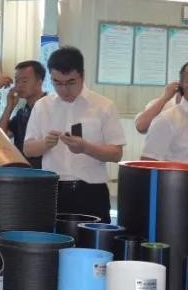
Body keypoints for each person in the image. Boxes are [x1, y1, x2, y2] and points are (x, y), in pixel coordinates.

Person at [23, 46, 125, 220]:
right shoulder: (42, 106)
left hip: (91, 191)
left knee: (92, 237)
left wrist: (85, 148)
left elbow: (116, 154)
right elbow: (28, 149)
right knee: (51, 237)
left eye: (70, 82)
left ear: (82, 76)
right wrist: (45, 144)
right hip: (52, 191)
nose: (64, 90)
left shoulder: (103, 106)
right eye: (57, 83)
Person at [0, 60, 46, 168]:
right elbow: (0, 137)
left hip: (43, 172)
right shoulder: (23, 112)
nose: (19, 86)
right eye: (17, 81)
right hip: (22, 171)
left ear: (39, 82)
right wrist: (9, 107)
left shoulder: (49, 107)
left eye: (24, 81)